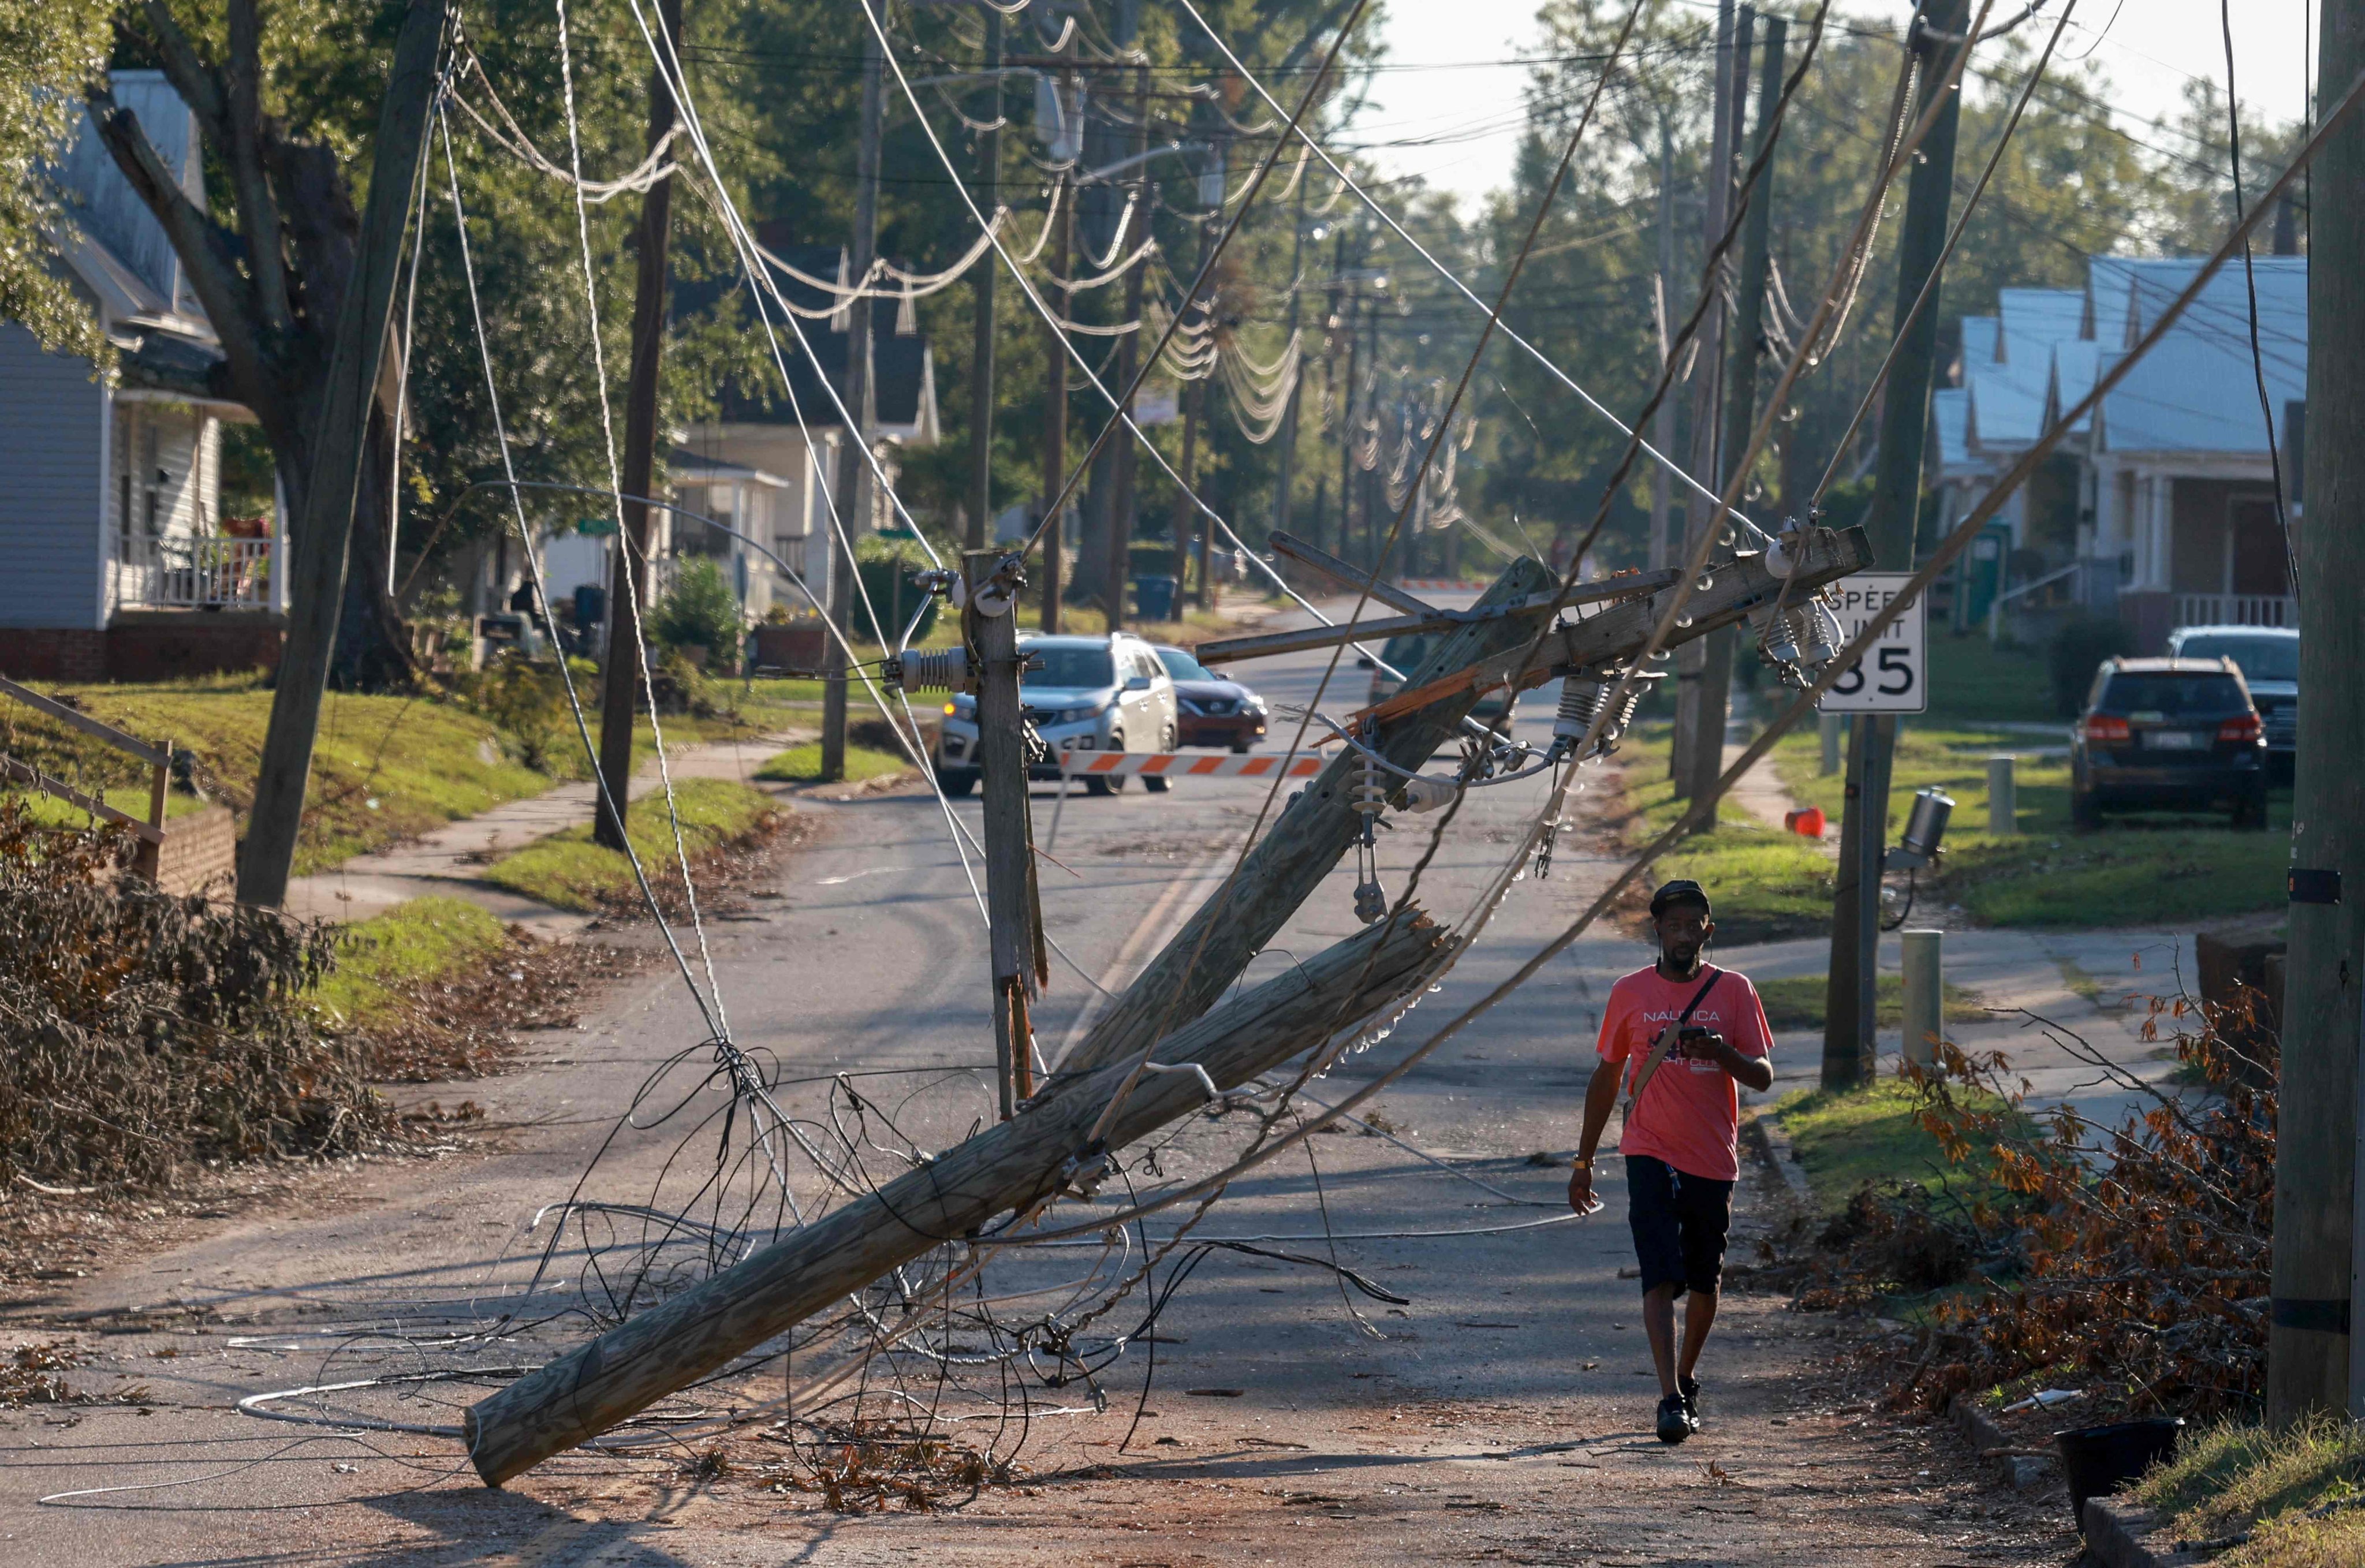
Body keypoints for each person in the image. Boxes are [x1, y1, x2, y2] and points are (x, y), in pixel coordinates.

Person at [1568, 878, 1775, 1444]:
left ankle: (1686, 1377)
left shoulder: (1734, 991)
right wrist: (1583, 1160)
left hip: (1711, 1153)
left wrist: (1720, 1051)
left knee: (1704, 1278)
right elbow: (1607, 1076)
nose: (1684, 934)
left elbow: (1761, 1075)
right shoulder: (1629, 992)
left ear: (1709, 929)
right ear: (1656, 929)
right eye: (1673, 924)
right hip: (1647, 1147)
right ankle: (1668, 1397)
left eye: (1694, 924)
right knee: (1659, 1272)